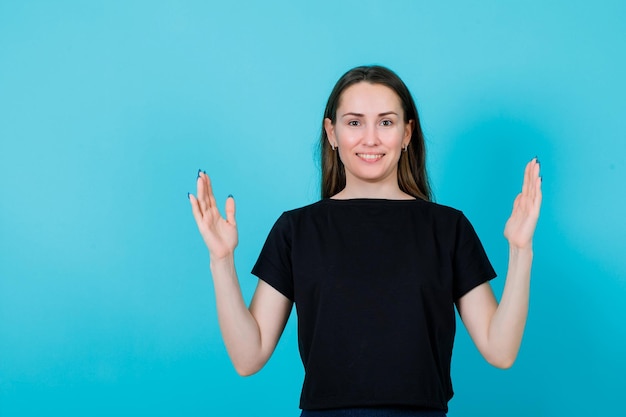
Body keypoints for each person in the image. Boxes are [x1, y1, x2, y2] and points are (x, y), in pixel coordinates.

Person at [188, 65, 542, 417]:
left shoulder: (447, 228)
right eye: (354, 122)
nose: (370, 139)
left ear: (407, 133)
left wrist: (520, 250)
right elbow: (248, 357)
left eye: (386, 122)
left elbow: (501, 350)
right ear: (332, 132)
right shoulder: (297, 229)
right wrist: (221, 260)